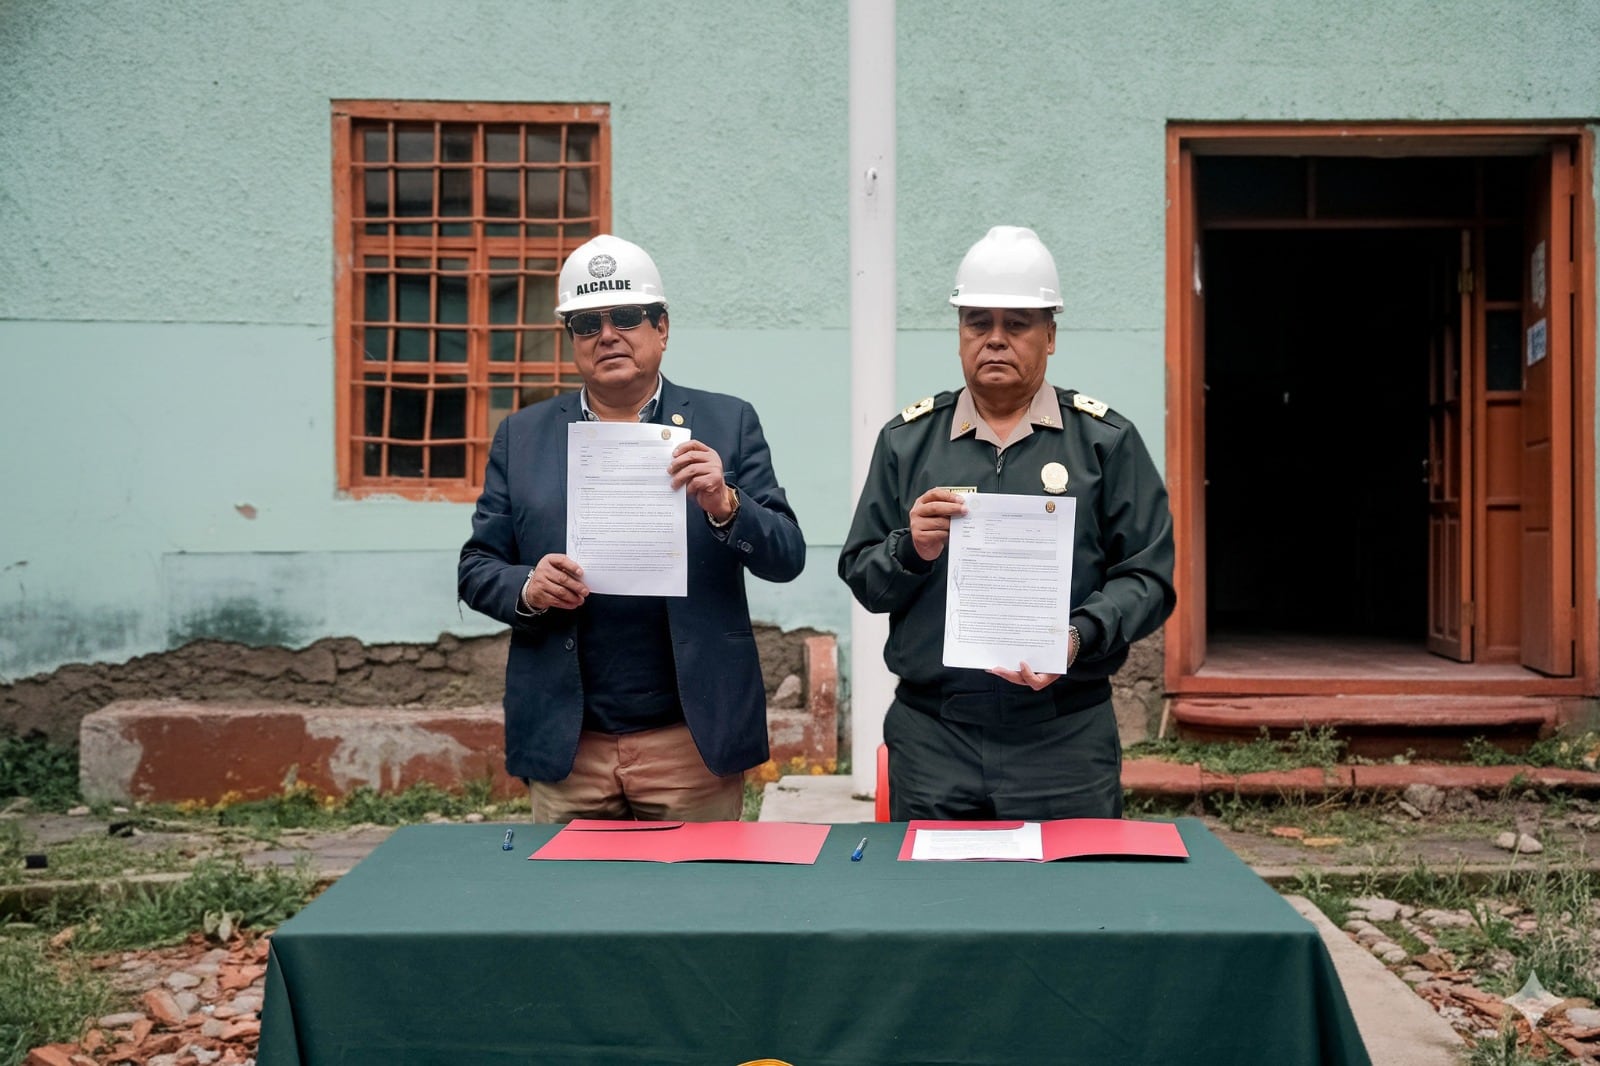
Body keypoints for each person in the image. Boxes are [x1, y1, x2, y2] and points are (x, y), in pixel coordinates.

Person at [459, 234, 806, 822]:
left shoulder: (727, 422)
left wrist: (727, 504)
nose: (607, 335)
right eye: (586, 323)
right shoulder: (523, 436)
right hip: (572, 745)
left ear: (661, 328)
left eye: (625, 317)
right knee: (570, 886)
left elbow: (787, 555)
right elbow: (477, 568)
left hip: (689, 742)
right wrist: (528, 587)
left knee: (696, 885)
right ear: (571, 339)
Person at [839, 225, 1175, 821]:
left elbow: (1148, 578)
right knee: (929, 883)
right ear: (959, 333)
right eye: (978, 323)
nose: (995, 339)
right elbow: (865, 578)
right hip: (935, 737)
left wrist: (1077, 637)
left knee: (1074, 884)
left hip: (1064, 739)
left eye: (1016, 324)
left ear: (1050, 336)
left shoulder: (1104, 443)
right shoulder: (907, 443)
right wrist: (911, 550)